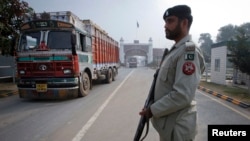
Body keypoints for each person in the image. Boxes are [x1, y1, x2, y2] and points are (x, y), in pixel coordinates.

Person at [139, 5, 205, 141]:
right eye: (165, 22)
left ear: (184, 23)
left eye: (170, 21)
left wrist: (152, 110)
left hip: (177, 128)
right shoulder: (175, 51)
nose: (165, 25)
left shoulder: (188, 52)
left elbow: (182, 95)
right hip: (169, 126)